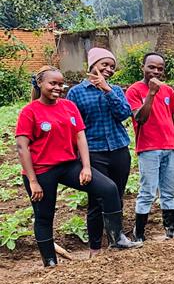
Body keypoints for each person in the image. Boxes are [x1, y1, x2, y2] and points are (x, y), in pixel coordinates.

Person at [16, 67, 139, 266]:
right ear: (40, 84)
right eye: (52, 83)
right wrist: (33, 181)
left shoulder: (68, 106)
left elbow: (80, 136)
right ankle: (50, 262)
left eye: (60, 84)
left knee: (108, 189)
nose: (58, 88)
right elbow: (22, 148)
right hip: (41, 171)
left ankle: (117, 239)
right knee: (44, 216)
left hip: (68, 165)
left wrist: (86, 167)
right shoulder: (29, 111)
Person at [66, 47, 134, 255]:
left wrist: (107, 90)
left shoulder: (116, 90)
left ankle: (117, 239)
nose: (108, 69)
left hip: (119, 149)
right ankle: (95, 247)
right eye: (104, 64)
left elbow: (124, 113)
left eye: (112, 66)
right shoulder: (76, 93)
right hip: (94, 152)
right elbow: (72, 125)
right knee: (96, 200)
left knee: (117, 196)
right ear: (92, 65)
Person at [126, 52, 174, 241]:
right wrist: (151, 93)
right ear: (143, 67)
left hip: (170, 147)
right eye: (151, 67)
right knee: (147, 191)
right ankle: (139, 234)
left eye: (159, 68)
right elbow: (140, 118)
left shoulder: (169, 91)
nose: (155, 71)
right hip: (148, 148)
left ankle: (172, 230)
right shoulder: (134, 91)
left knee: (169, 191)